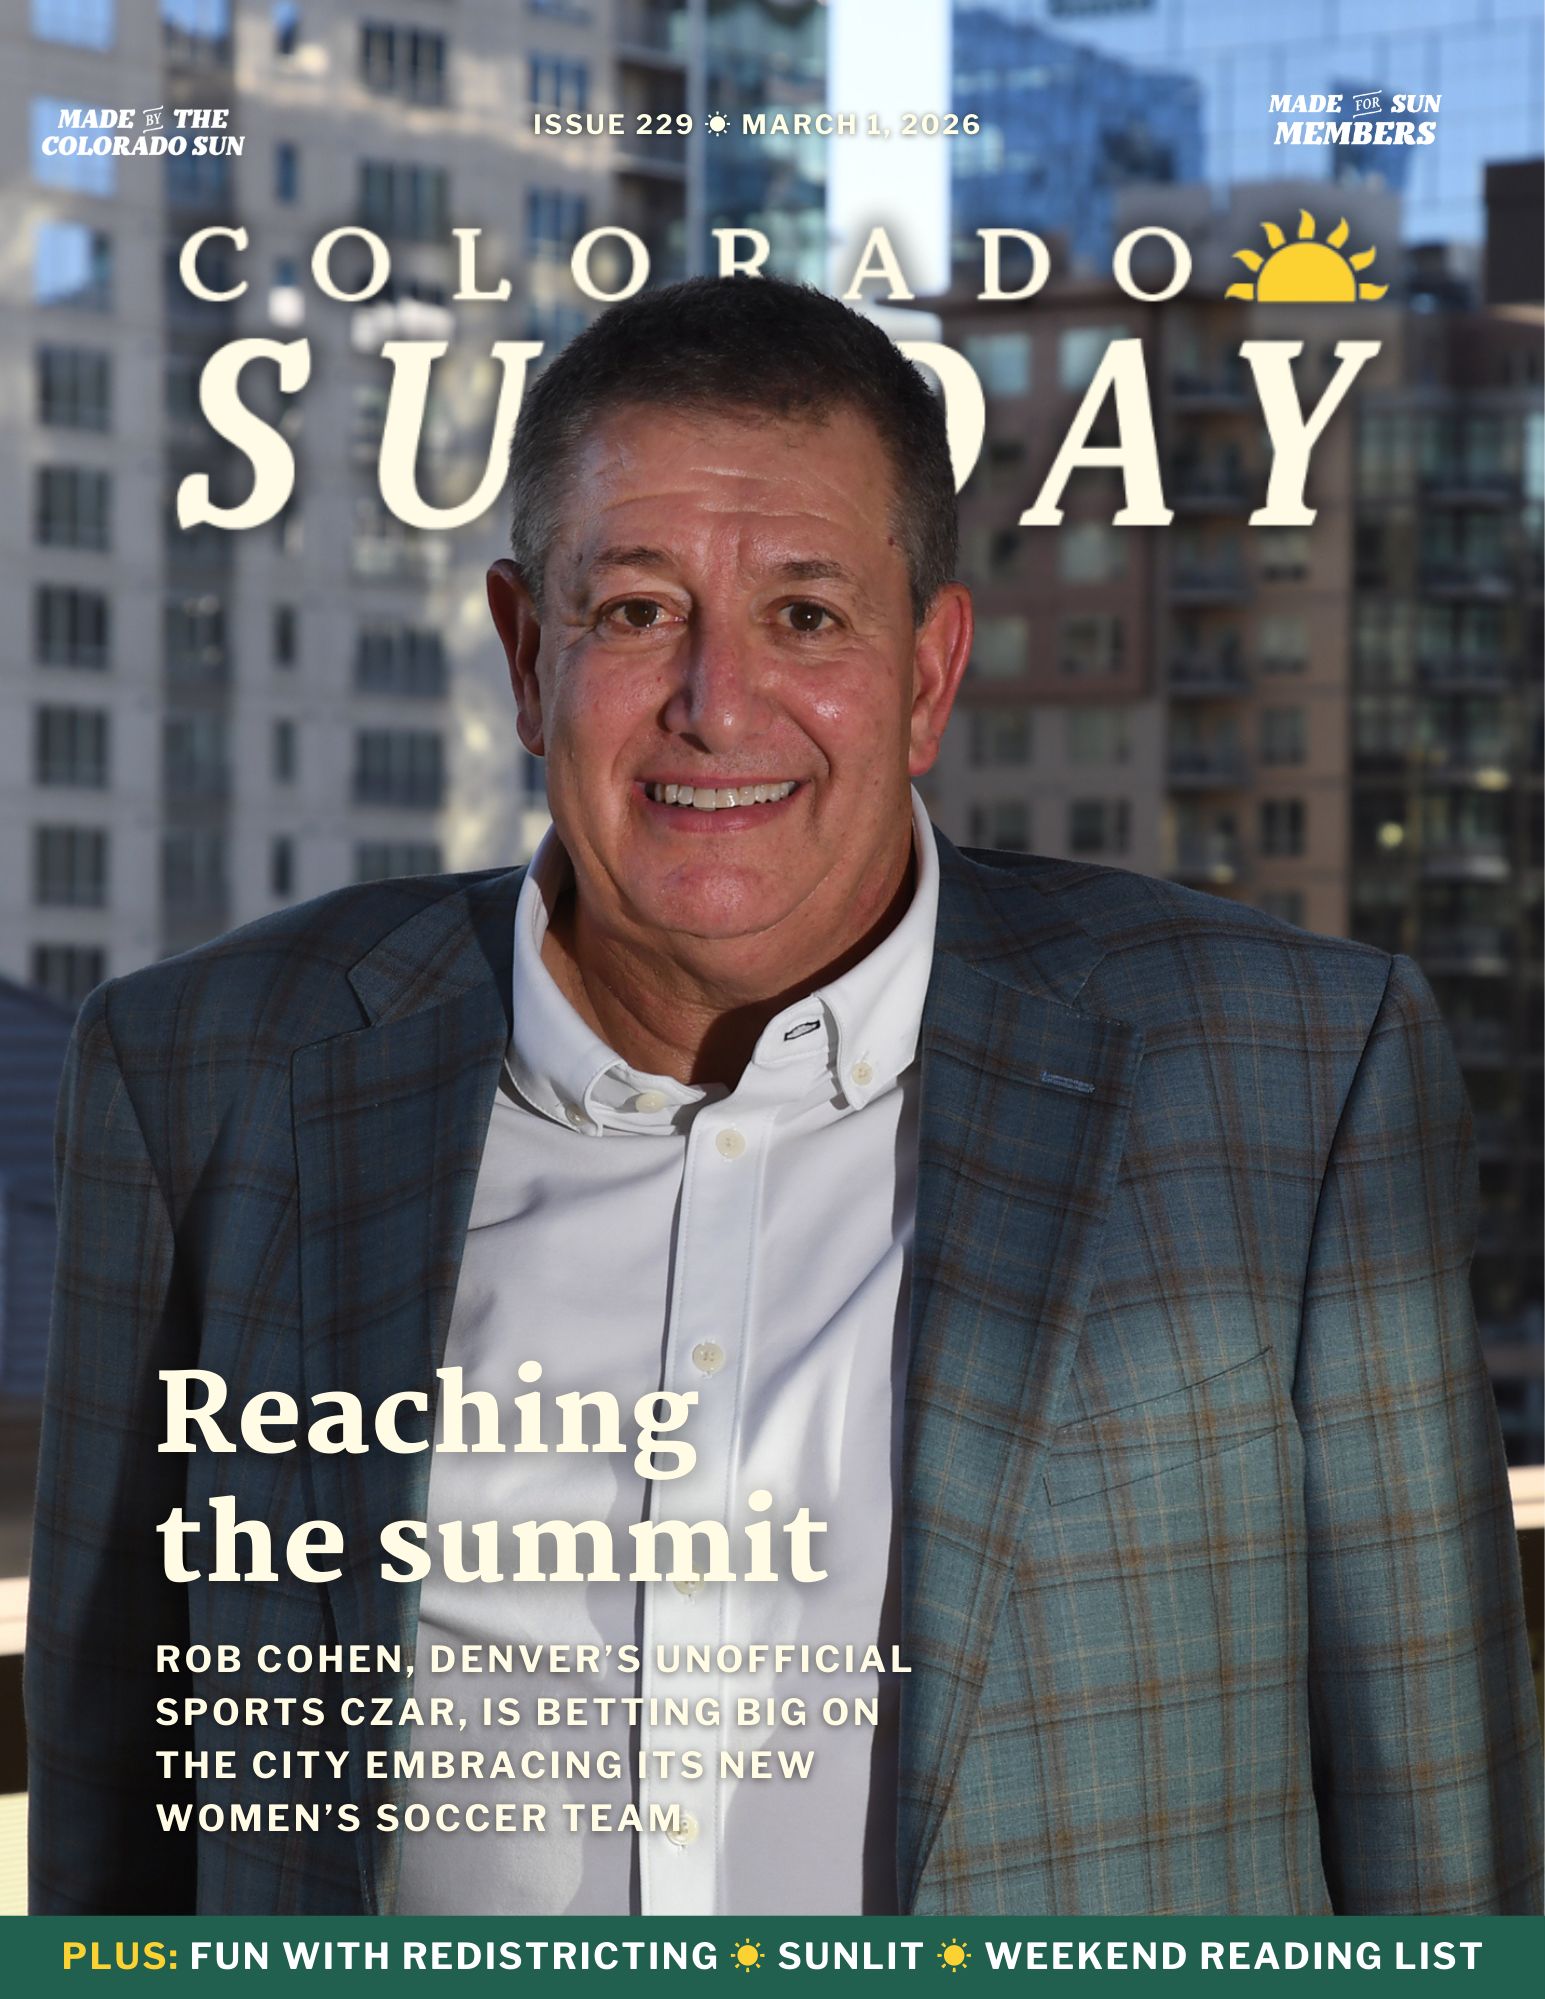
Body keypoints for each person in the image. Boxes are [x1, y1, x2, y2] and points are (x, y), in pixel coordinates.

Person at [27, 277, 1541, 1918]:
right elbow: (115, 1805)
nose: (715, 706)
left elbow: (1436, 1835)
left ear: (927, 672)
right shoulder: (201, 1077)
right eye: (634, 613)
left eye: (807, 616)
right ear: (529, 657)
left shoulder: (1291, 1073)